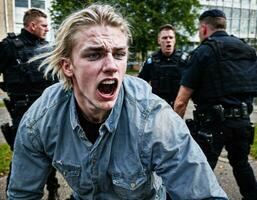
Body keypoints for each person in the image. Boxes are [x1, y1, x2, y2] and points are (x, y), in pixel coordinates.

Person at [7, 4, 228, 199]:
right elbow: (22, 194)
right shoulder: (41, 120)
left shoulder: (154, 118)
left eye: (120, 54)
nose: (112, 66)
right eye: (94, 54)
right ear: (68, 66)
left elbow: (204, 194)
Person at [174, 9, 257, 200]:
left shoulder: (204, 51)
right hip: (242, 123)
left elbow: (181, 100)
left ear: (204, 28)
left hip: (212, 126)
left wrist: (175, 131)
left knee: (200, 170)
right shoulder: (247, 51)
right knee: (241, 164)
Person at [0, 8, 59, 200]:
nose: (47, 29)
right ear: (32, 25)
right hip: (23, 109)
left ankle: (53, 190)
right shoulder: (9, 46)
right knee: (22, 154)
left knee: (49, 150)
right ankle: (15, 194)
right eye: (44, 25)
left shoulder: (49, 48)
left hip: (48, 108)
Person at [138, 24, 187, 107]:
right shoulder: (151, 61)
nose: (168, 40)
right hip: (156, 107)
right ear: (159, 40)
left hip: (177, 107)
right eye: (164, 38)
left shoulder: (184, 61)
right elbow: (140, 84)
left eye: (171, 37)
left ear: (174, 40)